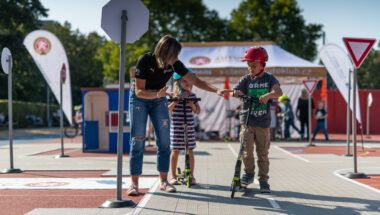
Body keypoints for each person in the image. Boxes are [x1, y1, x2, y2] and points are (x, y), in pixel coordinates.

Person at [127, 35, 231, 196]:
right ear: (164, 52)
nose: (176, 59)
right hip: (140, 99)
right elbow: (140, 91)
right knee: (138, 139)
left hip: (159, 97)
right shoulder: (145, 60)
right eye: (174, 55)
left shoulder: (175, 64)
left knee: (164, 141)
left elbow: (195, 81)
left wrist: (216, 90)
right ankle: (134, 183)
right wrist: (156, 94)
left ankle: (164, 181)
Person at [231, 47, 282, 193]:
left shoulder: (269, 78)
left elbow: (278, 92)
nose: (250, 68)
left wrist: (269, 95)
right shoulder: (245, 79)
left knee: (263, 153)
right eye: (248, 65)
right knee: (246, 151)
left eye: (253, 65)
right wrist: (237, 93)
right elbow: (237, 90)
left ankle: (264, 180)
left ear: (262, 64)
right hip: (246, 120)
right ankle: (248, 174)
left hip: (262, 122)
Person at [168, 69, 200, 185]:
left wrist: (192, 104)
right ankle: (173, 176)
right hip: (176, 128)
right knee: (175, 151)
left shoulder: (193, 95)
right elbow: (167, 111)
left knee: (190, 151)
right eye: (184, 81)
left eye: (189, 81)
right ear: (178, 82)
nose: (187, 83)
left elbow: (198, 111)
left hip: (189, 128)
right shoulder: (172, 96)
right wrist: (174, 103)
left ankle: (191, 175)